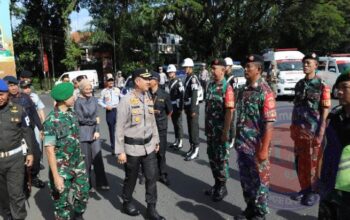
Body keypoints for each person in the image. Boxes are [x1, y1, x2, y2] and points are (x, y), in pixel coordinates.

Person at [116, 68, 165, 220]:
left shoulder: (148, 96)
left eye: (149, 79)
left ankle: (151, 209)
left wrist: (156, 140)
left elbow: (152, 123)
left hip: (149, 146)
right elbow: (119, 127)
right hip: (132, 148)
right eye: (146, 79)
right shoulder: (126, 100)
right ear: (137, 81)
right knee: (131, 178)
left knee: (151, 177)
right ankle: (127, 202)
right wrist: (120, 151)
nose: (149, 82)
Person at [234, 55, 276, 220]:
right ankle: (250, 208)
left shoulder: (265, 91)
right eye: (245, 66)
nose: (245, 69)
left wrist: (264, 149)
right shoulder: (244, 89)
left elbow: (269, 123)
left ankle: (260, 213)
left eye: (248, 66)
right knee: (246, 180)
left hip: (257, 147)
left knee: (260, 182)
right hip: (243, 144)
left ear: (258, 69)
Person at [43, 82, 89, 220]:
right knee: (61, 204)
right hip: (61, 168)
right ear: (64, 98)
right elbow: (49, 151)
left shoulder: (72, 113)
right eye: (72, 95)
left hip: (78, 163)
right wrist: (56, 177)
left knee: (83, 193)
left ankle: (78, 214)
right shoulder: (51, 121)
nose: (75, 97)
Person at [290, 53, 331, 206]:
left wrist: (321, 132)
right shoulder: (299, 84)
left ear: (316, 65)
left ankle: (314, 192)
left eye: (308, 63)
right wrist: (292, 126)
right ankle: (305, 189)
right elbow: (296, 106)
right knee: (300, 162)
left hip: (314, 131)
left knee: (313, 163)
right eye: (304, 63)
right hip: (299, 131)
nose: (305, 65)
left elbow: (325, 110)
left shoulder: (322, 85)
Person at [317, 68, 350, 219]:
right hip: (329, 182)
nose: (340, 92)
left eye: (345, 87)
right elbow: (325, 146)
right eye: (339, 88)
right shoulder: (335, 116)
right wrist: (318, 175)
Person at [0, 79, 34, 220]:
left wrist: (30, 153)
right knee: (3, 196)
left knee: (16, 194)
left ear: (7, 94)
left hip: (15, 159)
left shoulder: (18, 110)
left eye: (2, 94)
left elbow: (26, 132)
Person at [3, 75, 45, 189]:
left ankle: (34, 177)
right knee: (20, 159)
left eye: (15, 85)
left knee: (36, 155)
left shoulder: (25, 97)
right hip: (15, 134)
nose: (14, 88)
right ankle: (23, 181)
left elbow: (34, 113)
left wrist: (41, 128)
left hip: (29, 131)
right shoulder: (5, 100)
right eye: (10, 86)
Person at [204, 59, 235, 202]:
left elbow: (229, 112)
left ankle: (222, 186)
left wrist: (225, 132)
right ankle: (216, 183)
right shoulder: (210, 85)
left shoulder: (226, 88)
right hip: (210, 131)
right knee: (212, 158)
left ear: (222, 70)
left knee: (222, 159)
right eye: (212, 68)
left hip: (220, 132)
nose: (212, 70)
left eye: (214, 68)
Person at [74, 79, 109, 192]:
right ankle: (87, 184)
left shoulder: (94, 99)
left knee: (98, 158)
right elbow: (80, 119)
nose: (89, 91)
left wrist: (97, 130)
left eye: (90, 89)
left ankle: (102, 182)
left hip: (94, 133)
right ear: (81, 89)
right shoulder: (78, 102)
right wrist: (93, 121)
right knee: (86, 160)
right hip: (83, 133)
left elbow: (97, 116)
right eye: (86, 89)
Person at [150, 71, 173, 186]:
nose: (149, 81)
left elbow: (170, 111)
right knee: (149, 153)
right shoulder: (146, 94)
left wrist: (162, 119)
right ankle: (148, 174)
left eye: (151, 79)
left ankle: (162, 174)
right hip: (148, 128)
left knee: (161, 153)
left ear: (157, 81)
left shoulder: (164, 95)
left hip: (160, 128)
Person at [20, 79, 46, 168]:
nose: (27, 89)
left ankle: (38, 163)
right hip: (23, 128)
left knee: (37, 145)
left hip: (34, 125)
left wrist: (42, 126)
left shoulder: (34, 96)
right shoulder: (16, 98)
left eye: (29, 87)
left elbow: (39, 110)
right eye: (25, 88)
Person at [182, 58, 200, 161]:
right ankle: (192, 147)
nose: (185, 69)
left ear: (190, 67)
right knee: (189, 128)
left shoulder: (193, 78)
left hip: (193, 107)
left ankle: (196, 149)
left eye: (186, 67)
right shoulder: (188, 78)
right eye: (184, 67)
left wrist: (193, 109)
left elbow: (194, 95)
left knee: (194, 129)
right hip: (188, 107)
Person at [98, 75, 120, 154]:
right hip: (109, 111)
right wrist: (106, 106)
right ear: (107, 82)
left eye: (112, 80)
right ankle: (114, 147)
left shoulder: (117, 90)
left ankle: (120, 147)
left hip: (117, 110)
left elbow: (122, 98)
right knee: (112, 129)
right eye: (109, 81)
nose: (111, 82)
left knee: (119, 129)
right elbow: (99, 101)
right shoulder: (104, 91)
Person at [167, 64, 184, 150]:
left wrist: (181, 107)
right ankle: (176, 140)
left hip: (177, 105)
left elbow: (182, 94)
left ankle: (180, 141)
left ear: (175, 72)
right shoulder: (170, 81)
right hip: (172, 105)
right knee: (174, 123)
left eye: (171, 72)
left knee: (178, 123)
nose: (169, 73)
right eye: (169, 72)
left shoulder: (178, 81)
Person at [224, 57, 237, 149]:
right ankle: (226, 137)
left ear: (230, 66)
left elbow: (235, 92)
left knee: (231, 122)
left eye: (226, 66)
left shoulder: (233, 78)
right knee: (225, 121)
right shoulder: (223, 77)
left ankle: (232, 139)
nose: (225, 67)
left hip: (231, 104)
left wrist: (234, 105)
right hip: (224, 102)